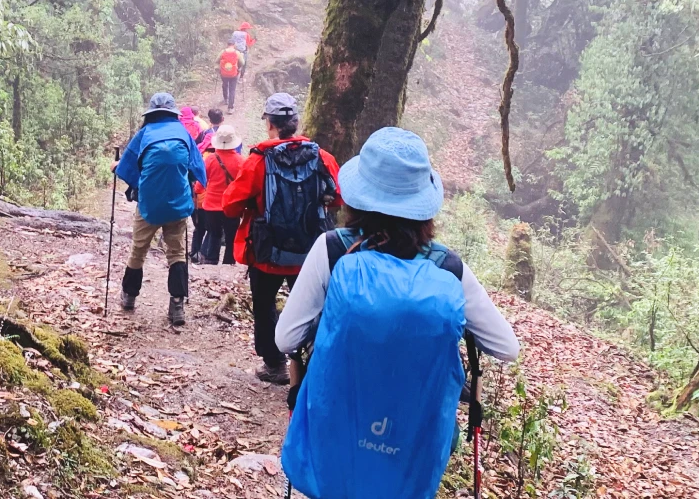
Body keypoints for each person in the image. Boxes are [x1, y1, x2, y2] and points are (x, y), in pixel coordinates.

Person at [276, 127, 519, 499]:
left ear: (357, 197)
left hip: (335, 432)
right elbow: (506, 347)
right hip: (410, 443)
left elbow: (286, 338)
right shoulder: (447, 268)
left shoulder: (332, 251)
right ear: (424, 204)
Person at [223, 93, 341, 384]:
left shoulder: (258, 161)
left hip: (268, 254)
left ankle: (274, 364)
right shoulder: (320, 157)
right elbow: (338, 196)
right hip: (310, 253)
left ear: (270, 124)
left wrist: (255, 205)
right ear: (295, 123)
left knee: (264, 305)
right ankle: (313, 361)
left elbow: (230, 205)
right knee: (315, 304)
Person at [115, 92, 207, 326]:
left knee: (138, 249)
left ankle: (129, 297)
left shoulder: (144, 134)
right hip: (178, 205)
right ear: (172, 113)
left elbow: (127, 169)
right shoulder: (183, 134)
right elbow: (197, 168)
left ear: (152, 113)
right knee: (176, 252)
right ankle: (177, 306)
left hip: (149, 206)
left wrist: (117, 167)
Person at [196, 125, 243, 264]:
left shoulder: (210, 159)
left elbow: (202, 181)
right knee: (231, 234)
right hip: (232, 205)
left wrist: (197, 190)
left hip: (211, 205)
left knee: (214, 233)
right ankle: (229, 261)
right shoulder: (241, 161)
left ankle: (211, 259)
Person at [218, 41, 242, 110]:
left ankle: (226, 99)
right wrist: (238, 67)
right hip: (233, 73)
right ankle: (230, 108)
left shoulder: (223, 52)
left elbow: (217, 60)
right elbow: (242, 62)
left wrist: (219, 67)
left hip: (224, 73)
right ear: (234, 45)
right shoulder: (237, 53)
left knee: (224, 85)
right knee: (232, 89)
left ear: (227, 45)